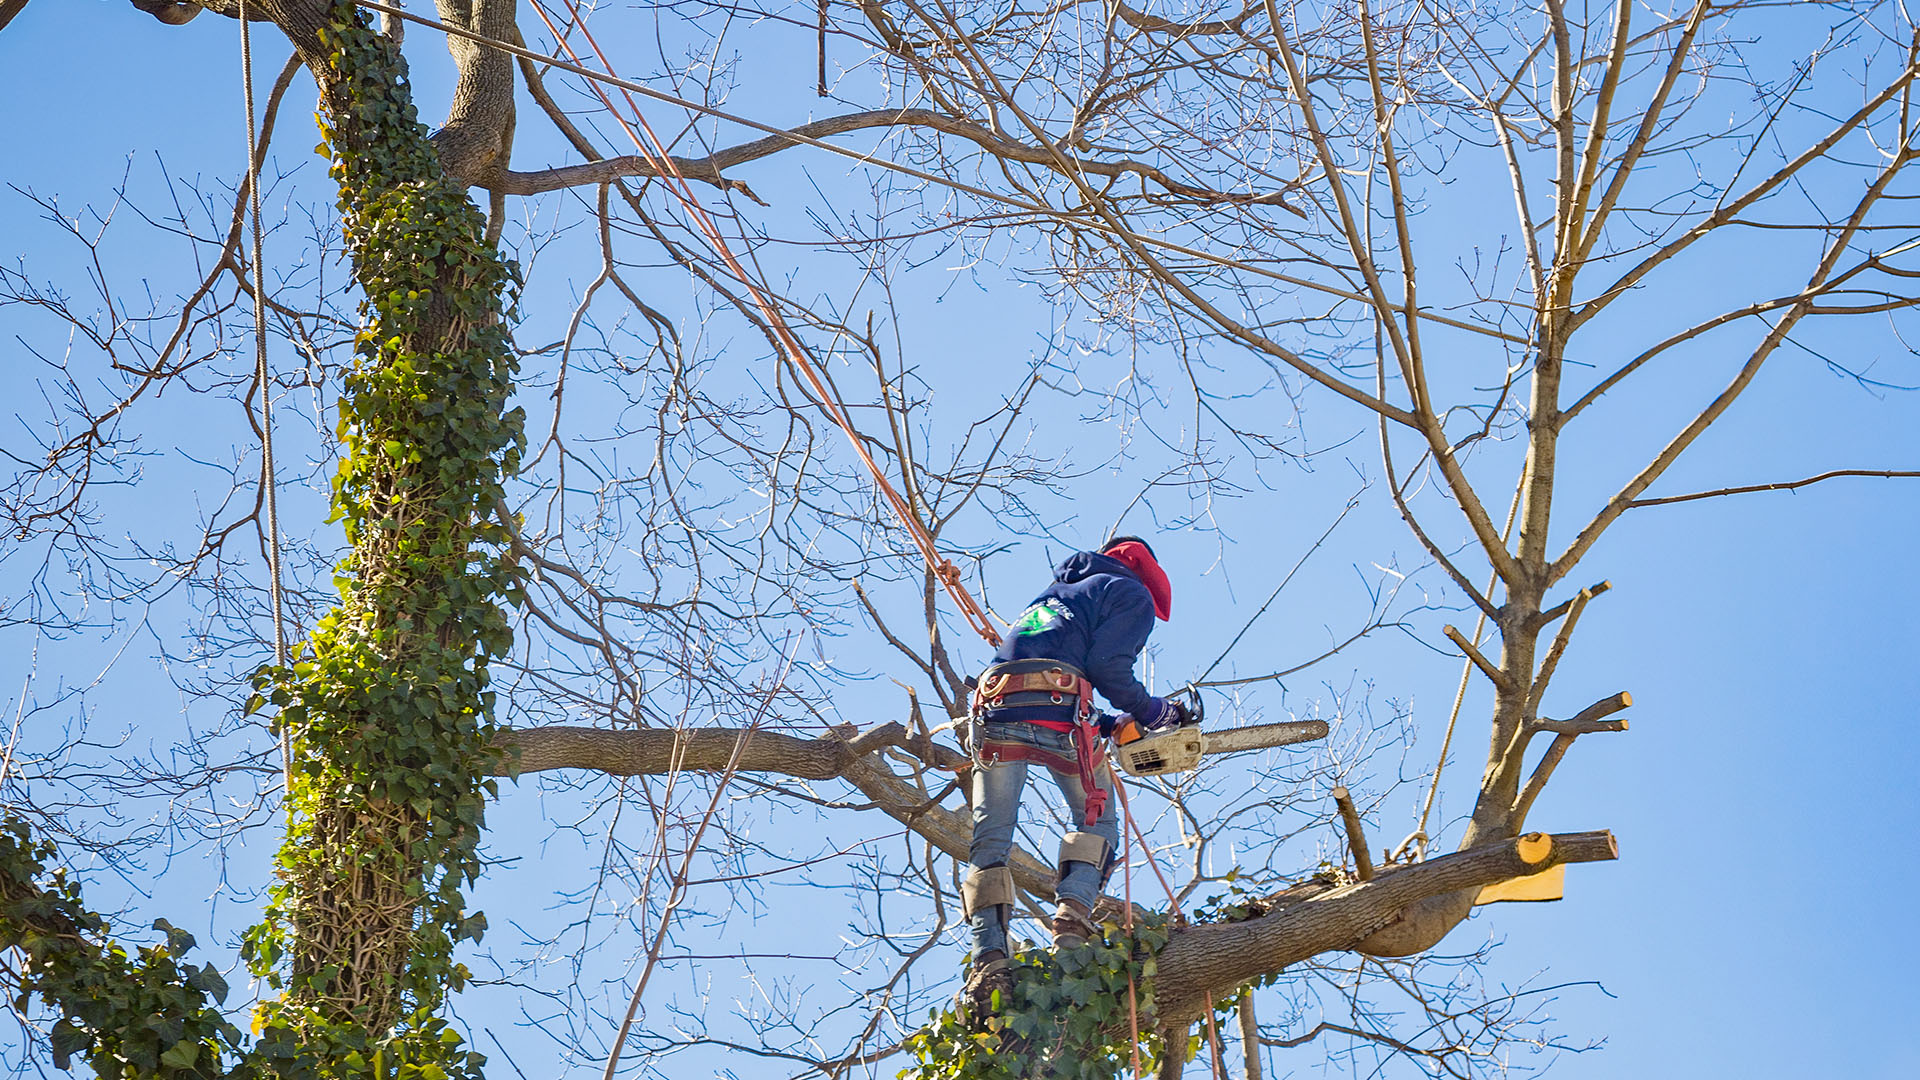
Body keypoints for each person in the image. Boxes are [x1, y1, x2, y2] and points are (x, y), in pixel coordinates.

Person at [959, 535, 1191, 1015]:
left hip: (998, 711)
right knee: (1099, 821)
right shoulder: (1131, 595)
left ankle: (989, 957)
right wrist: (1156, 712)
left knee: (990, 839)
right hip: (1058, 715)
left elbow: (1056, 672)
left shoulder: (1055, 592)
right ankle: (1072, 916)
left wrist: (1110, 724)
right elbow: (1108, 668)